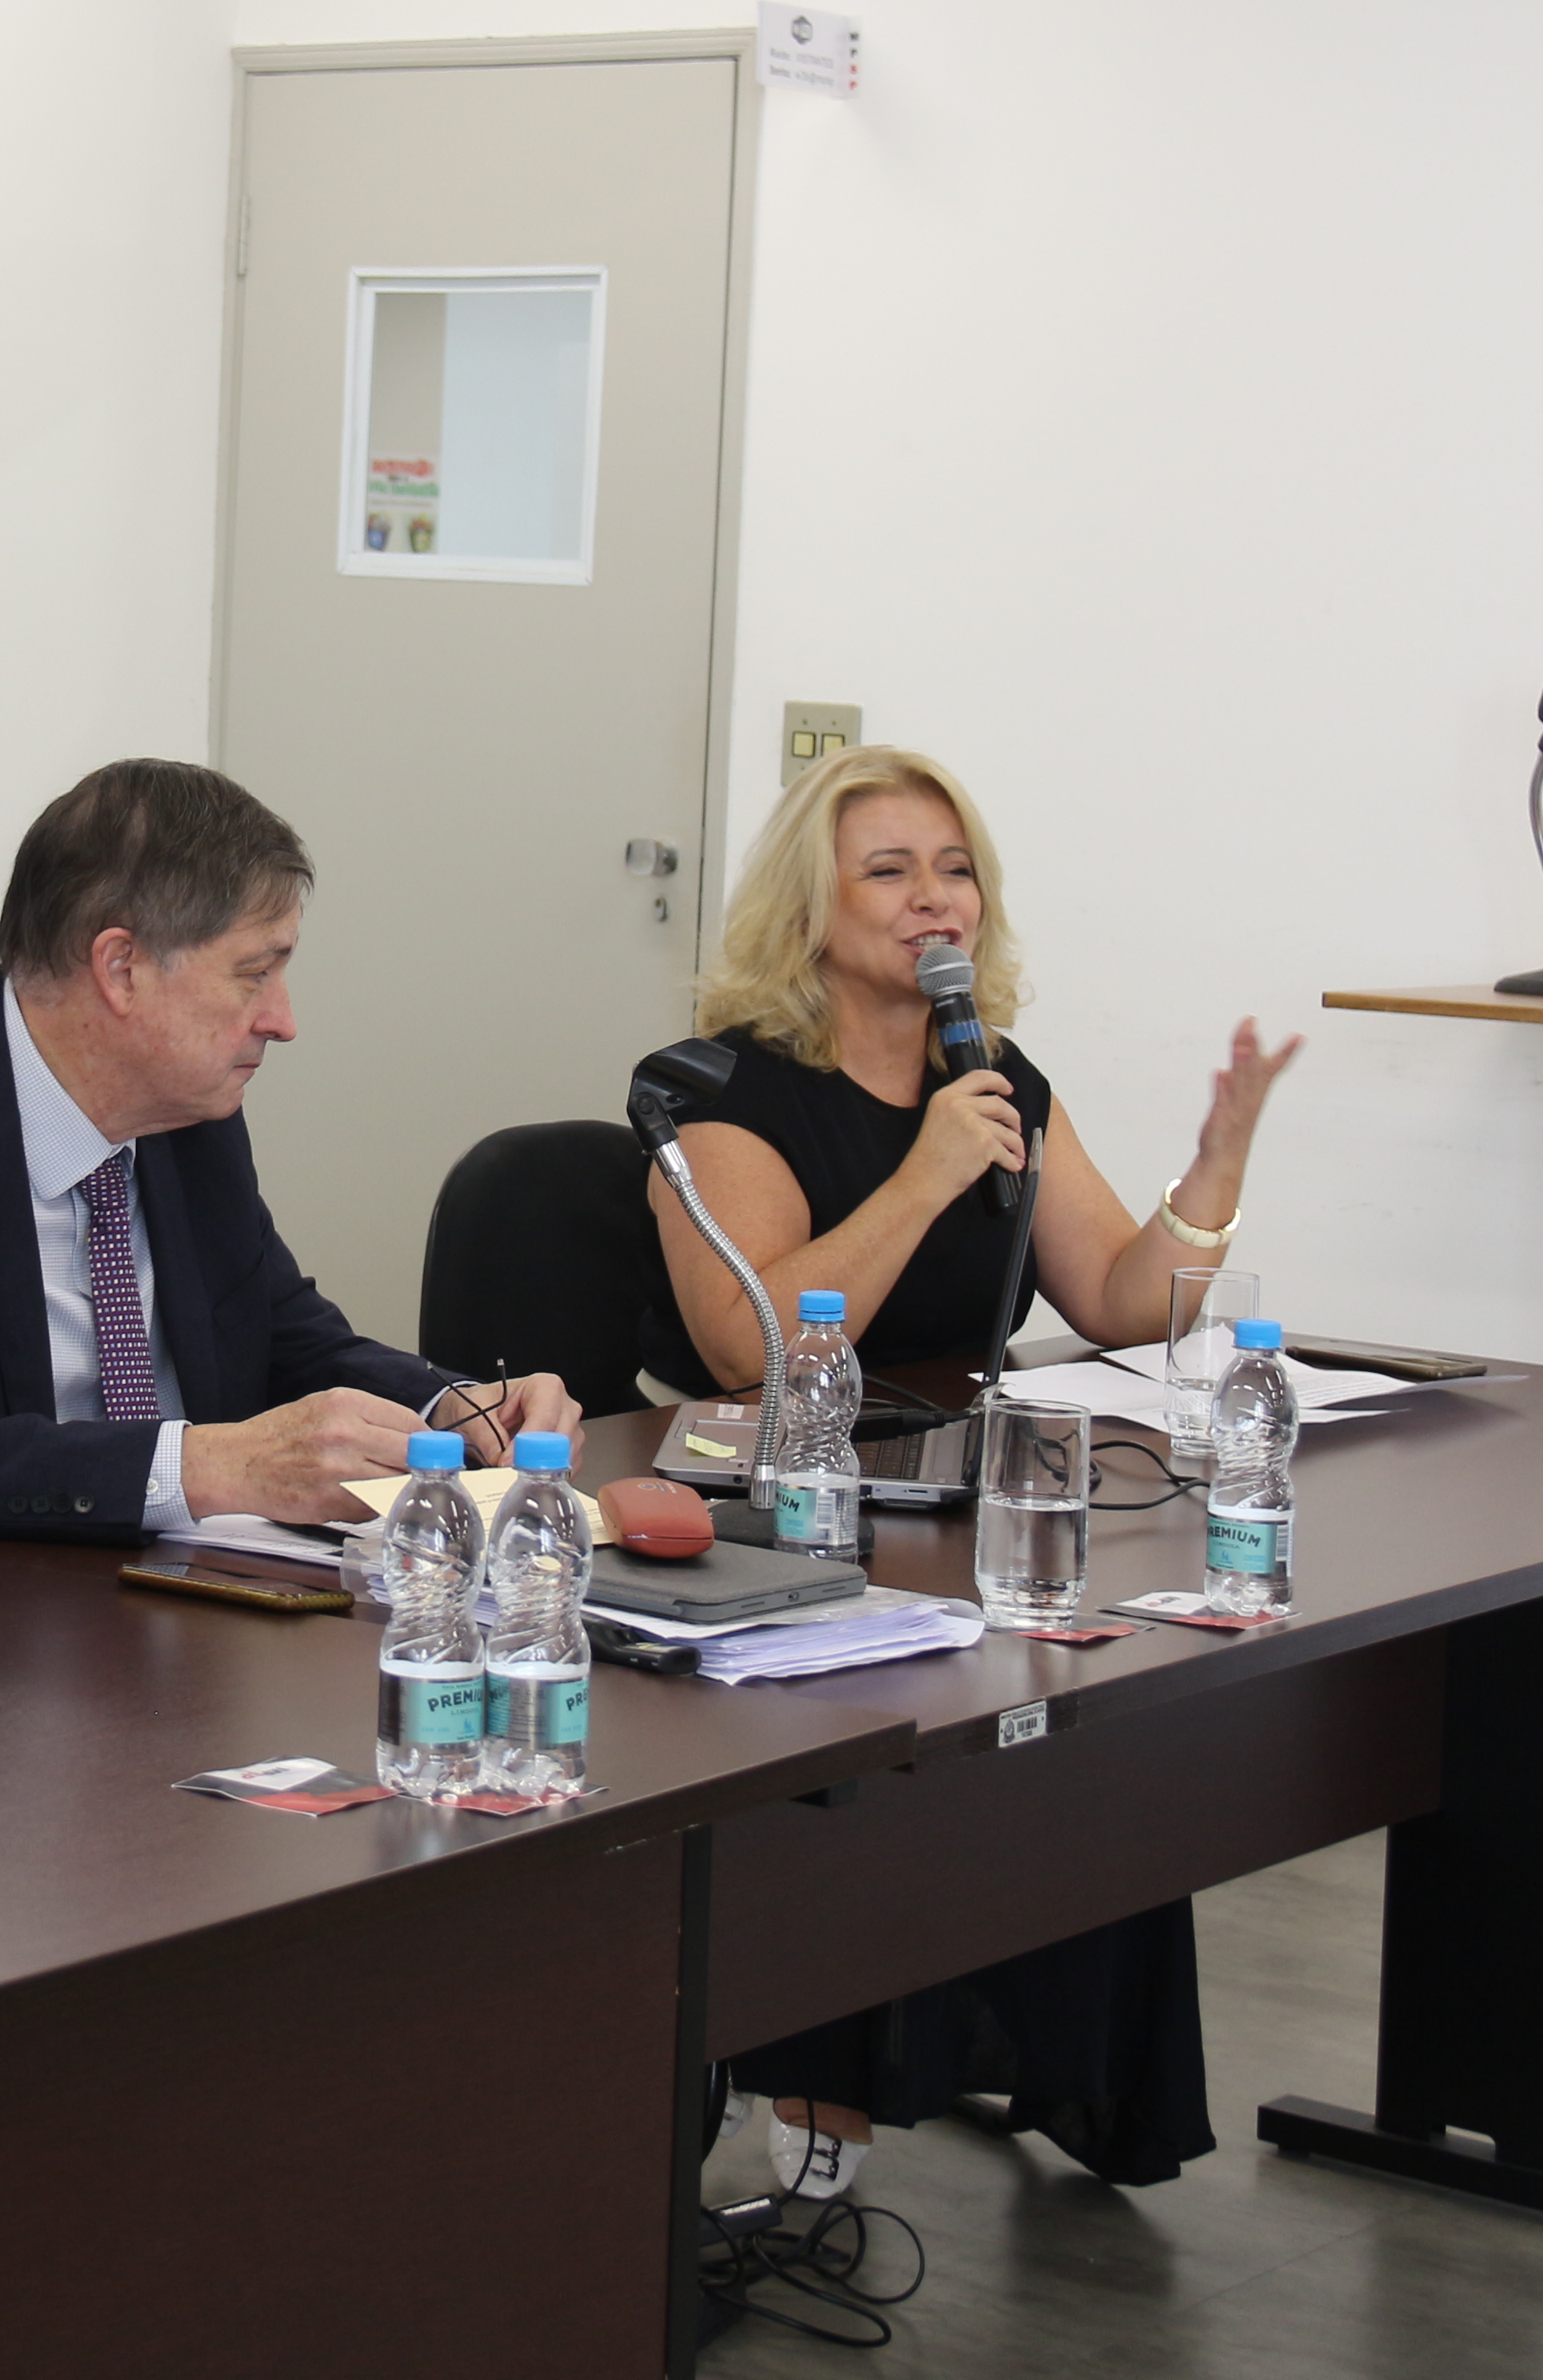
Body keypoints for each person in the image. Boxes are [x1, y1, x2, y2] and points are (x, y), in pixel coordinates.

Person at [646, 742, 1298, 2210]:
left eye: (953, 871)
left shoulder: (991, 1077)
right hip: (781, 1515)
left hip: (950, 1497)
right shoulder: (720, 1099)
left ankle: (1065, 2069)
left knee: (1101, 1699)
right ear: (804, 906)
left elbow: (1124, 1301)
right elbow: (755, 1348)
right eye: (886, 870)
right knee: (883, 1746)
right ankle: (818, 2108)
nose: (930, 900)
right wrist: (925, 1173)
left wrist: (1212, 1170)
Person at [0, 758, 579, 1541]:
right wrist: (204, 1467)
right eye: (255, 973)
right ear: (121, 968)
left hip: (175, 1624)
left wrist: (448, 1405)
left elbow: (279, 1330)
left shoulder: (187, 1114)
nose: (283, 1019)